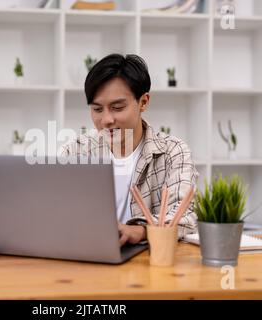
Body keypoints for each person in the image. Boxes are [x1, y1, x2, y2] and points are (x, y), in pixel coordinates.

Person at [61, 53, 199, 246]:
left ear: (143, 102)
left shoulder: (173, 152)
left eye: (117, 108)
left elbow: (185, 218)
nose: (107, 120)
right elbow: (56, 213)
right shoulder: (76, 151)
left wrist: (140, 231)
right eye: (97, 109)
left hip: (148, 261)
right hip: (87, 256)